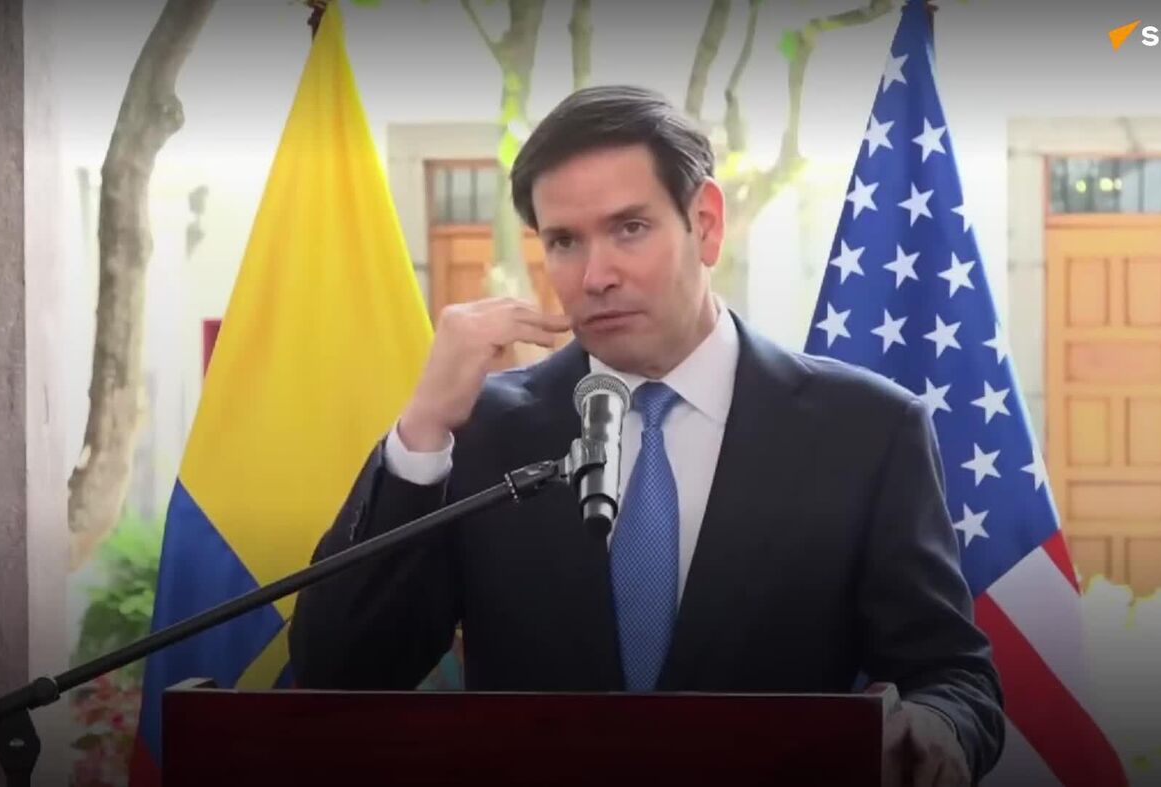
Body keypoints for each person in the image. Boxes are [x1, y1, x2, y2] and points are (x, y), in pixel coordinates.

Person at [290, 84, 1003, 785]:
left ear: (707, 223)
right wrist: (420, 431)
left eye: (629, 228)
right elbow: (340, 675)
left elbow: (953, 676)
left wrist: (936, 726)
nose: (595, 275)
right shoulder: (486, 430)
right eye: (564, 241)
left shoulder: (866, 431)